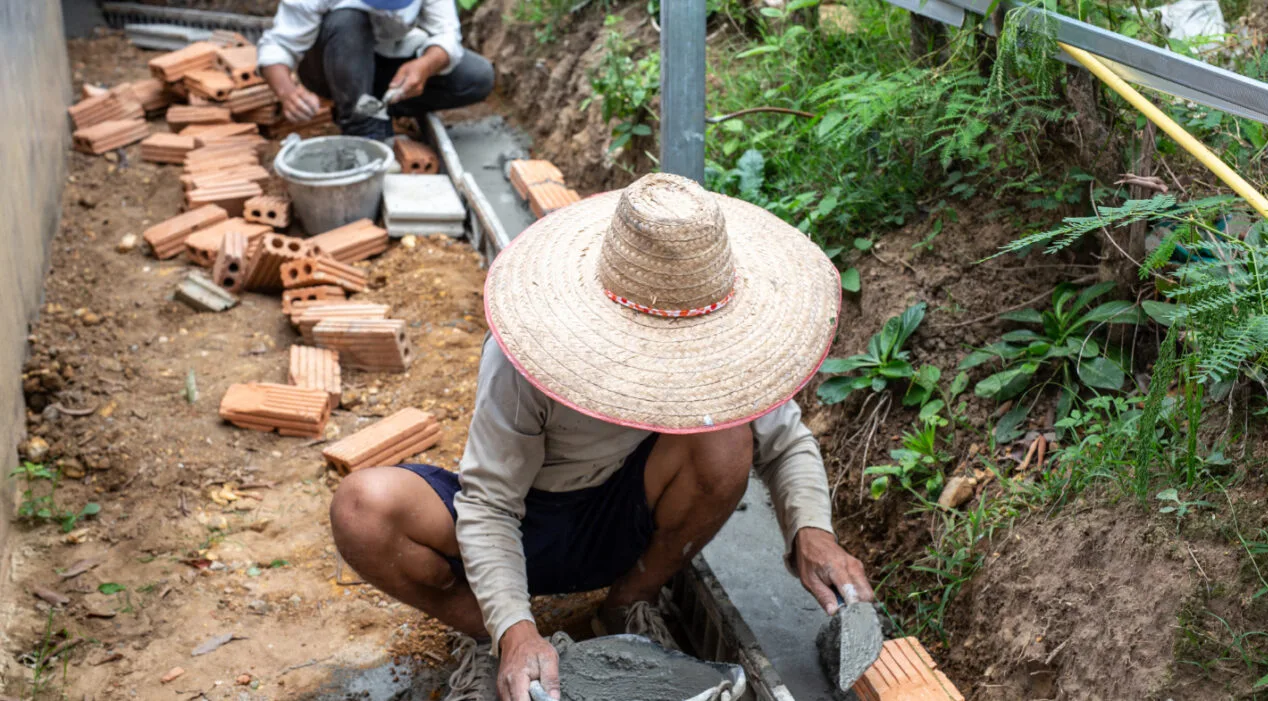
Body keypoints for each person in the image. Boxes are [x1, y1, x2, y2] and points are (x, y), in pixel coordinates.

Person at [329, 173, 876, 701]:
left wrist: (812, 533)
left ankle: (628, 605)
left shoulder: (728, 352)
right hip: (524, 522)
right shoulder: (528, 349)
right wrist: (514, 629)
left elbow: (785, 441)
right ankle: (491, 637)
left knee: (727, 441)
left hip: (623, 519)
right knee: (362, 508)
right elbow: (491, 504)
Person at [256, 0, 494, 140]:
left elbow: (447, 35)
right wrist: (287, 92)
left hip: (387, 59)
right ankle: (359, 124)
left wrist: (424, 66)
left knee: (476, 77)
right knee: (346, 21)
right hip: (332, 65)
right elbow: (278, 44)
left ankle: (374, 105)